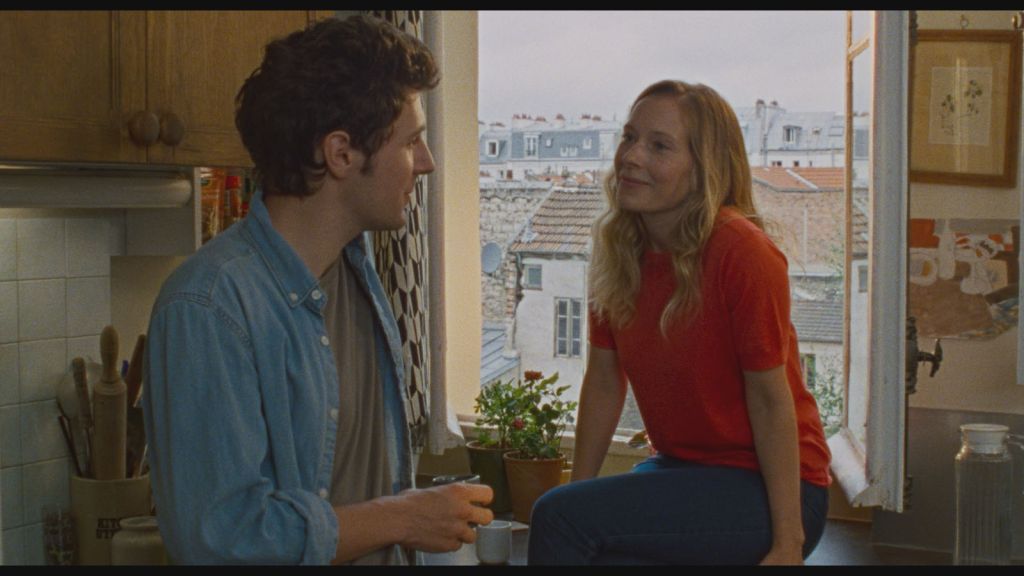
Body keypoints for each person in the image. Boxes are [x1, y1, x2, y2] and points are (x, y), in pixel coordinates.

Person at [141, 15, 492, 565]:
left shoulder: (355, 269)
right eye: (411, 142)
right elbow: (224, 541)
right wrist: (404, 517)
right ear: (341, 153)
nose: (425, 164)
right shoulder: (209, 306)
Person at [527, 80, 832, 565]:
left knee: (557, 518)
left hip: (776, 490)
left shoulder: (742, 252)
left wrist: (787, 544)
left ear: (703, 168)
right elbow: (604, 380)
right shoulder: (619, 252)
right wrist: (577, 495)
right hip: (682, 469)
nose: (631, 156)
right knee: (580, 535)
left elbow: (771, 401)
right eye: (629, 138)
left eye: (659, 146)